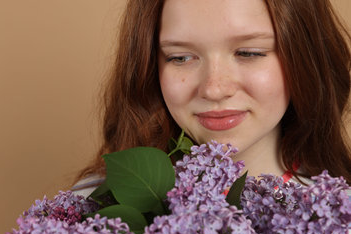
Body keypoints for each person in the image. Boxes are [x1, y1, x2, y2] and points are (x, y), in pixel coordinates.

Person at [72, 0, 351, 197]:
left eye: (249, 52)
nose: (214, 89)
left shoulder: (341, 222)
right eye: (180, 57)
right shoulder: (91, 211)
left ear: (305, 55)